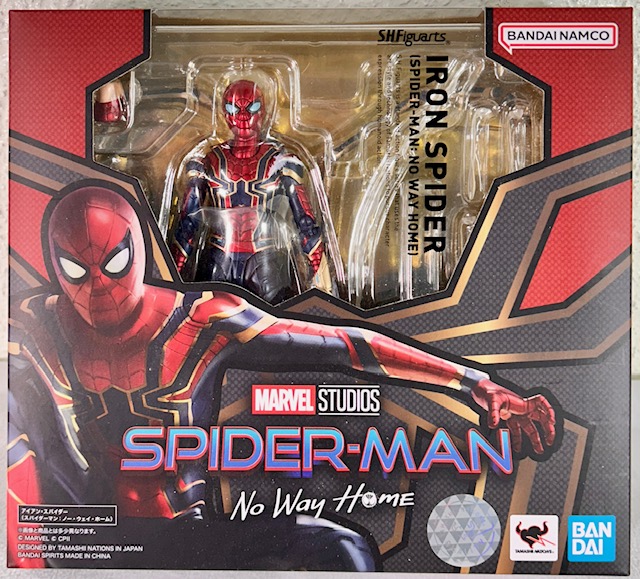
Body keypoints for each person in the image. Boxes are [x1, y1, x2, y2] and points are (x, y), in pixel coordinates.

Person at [8, 182, 556, 569]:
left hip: (182, 535)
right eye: (76, 269)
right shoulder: (34, 323)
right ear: (55, 264)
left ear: (137, 248)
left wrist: (472, 382)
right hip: (85, 539)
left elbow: (348, 346)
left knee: (341, 549)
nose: (98, 288)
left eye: (113, 263)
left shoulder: (200, 320)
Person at [171, 79, 330, 304]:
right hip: (219, 256)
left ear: (263, 111)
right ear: (224, 113)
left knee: (271, 316)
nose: (243, 117)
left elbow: (304, 222)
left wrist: (319, 273)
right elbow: (188, 222)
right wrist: (173, 274)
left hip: (265, 257)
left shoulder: (281, 161)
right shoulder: (208, 161)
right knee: (210, 315)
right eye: (233, 109)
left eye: (251, 108)